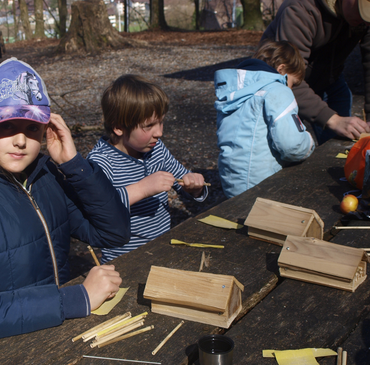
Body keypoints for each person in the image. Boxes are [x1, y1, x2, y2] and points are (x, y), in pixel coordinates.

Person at [0, 58, 130, 342]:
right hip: (10, 346)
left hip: (59, 331)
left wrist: (74, 164)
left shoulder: (46, 176)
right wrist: (77, 298)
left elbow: (113, 231)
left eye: (32, 128)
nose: (21, 140)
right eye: (6, 126)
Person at [87, 74, 208, 263]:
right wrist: (142, 189)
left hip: (162, 247)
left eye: (160, 122)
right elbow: (96, 208)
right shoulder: (100, 162)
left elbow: (182, 179)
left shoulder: (156, 148)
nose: (159, 132)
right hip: (124, 259)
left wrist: (194, 186)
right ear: (119, 127)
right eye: (149, 125)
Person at [214, 40, 315, 199]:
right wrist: (309, 142)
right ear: (281, 70)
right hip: (262, 183)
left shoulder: (234, 91)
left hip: (232, 180)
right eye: (292, 84)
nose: (291, 89)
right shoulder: (278, 90)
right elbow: (292, 146)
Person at [261, 0, 370, 144]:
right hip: (283, 87)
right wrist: (332, 119)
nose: (364, 21)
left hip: (331, 81)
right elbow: (285, 78)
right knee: (286, 149)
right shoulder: (300, 10)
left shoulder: (362, 18)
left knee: (340, 145)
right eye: (361, 12)